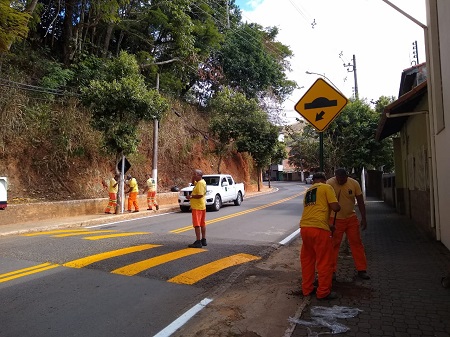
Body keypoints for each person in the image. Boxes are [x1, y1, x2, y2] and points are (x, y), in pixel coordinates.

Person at [300, 172, 341, 300]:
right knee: (324, 261)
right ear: (324, 180)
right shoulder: (326, 187)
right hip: (319, 231)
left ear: (313, 181)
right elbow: (335, 207)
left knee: (308, 260)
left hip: (305, 229)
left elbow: (314, 213)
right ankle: (323, 292)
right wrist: (337, 205)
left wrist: (328, 225)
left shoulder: (308, 192)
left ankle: (307, 289)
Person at [327, 168, 370, 280]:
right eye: (339, 179)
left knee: (356, 243)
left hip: (351, 219)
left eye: (343, 179)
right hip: (335, 220)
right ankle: (331, 272)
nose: (341, 181)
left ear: (347, 176)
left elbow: (360, 201)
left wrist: (364, 218)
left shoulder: (354, 183)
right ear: (335, 176)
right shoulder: (329, 184)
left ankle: (362, 270)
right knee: (333, 245)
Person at [186, 169, 207, 248]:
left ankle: (198, 241)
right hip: (201, 206)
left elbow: (200, 195)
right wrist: (193, 177)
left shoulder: (200, 184)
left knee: (197, 224)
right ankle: (203, 240)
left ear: (199, 175)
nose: (193, 175)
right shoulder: (200, 182)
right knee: (202, 223)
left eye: (195, 174)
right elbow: (192, 183)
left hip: (197, 207)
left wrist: (191, 196)